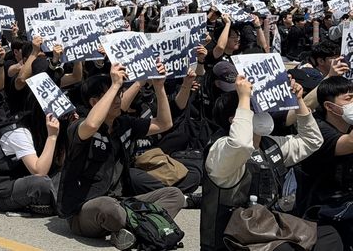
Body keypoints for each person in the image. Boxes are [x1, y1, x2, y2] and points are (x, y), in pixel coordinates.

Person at [200, 73, 338, 251]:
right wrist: (243, 97)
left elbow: (311, 141)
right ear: (236, 119)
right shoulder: (220, 150)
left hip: (268, 229)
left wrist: (298, 102)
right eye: (253, 109)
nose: (262, 113)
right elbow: (241, 145)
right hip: (235, 238)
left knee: (329, 235)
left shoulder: (269, 144)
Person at [59, 65, 183, 249]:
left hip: (122, 203)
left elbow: (164, 123)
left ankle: (132, 231)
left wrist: (159, 87)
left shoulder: (124, 124)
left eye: (119, 94)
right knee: (109, 208)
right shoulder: (79, 126)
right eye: (113, 95)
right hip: (85, 210)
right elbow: (93, 124)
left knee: (175, 195)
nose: (119, 100)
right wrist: (115, 84)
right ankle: (145, 227)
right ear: (94, 102)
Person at [298, 77, 353, 247]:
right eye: (349, 98)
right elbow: (349, 144)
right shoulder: (319, 130)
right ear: (329, 106)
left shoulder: (349, 126)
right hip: (324, 211)